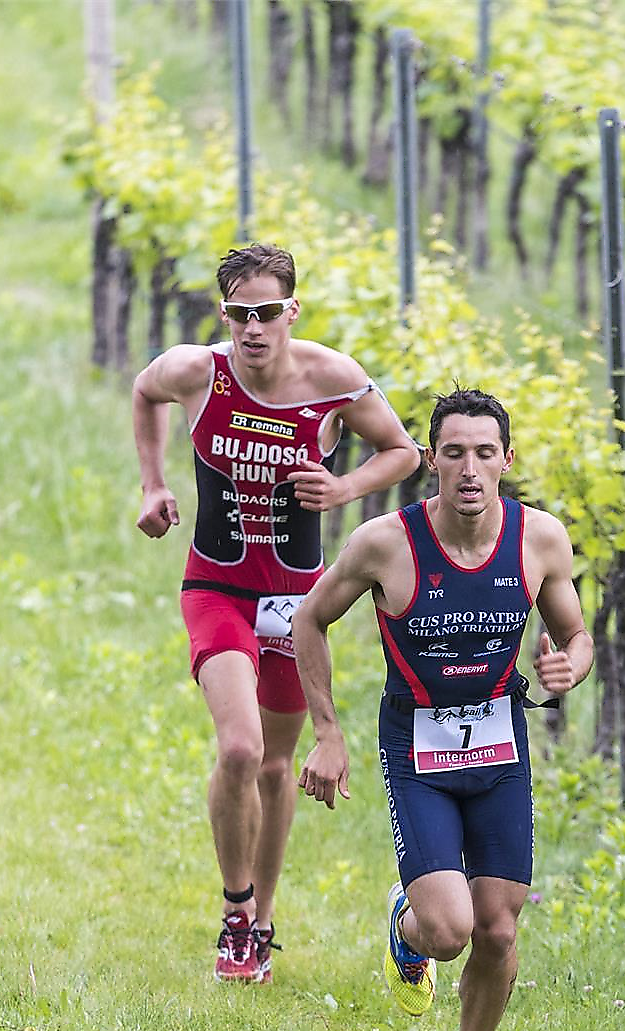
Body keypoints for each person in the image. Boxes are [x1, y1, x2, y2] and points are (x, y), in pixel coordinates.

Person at [292, 388, 592, 1031]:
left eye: (484, 453)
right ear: (430, 461)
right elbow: (310, 618)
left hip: (499, 745)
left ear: (507, 461)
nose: (469, 469)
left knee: (497, 927)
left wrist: (569, 667)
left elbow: (577, 637)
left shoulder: (540, 539)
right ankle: (407, 923)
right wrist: (329, 734)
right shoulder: (383, 545)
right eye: (453, 452)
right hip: (418, 746)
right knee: (450, 931)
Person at [132, 243, 420, 983]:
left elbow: (404, 453)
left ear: (292, 311)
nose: (252, 328)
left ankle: (263, 924)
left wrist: (345, 487)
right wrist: (153, 485)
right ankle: (234, 913)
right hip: (217, 587)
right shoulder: (200, 371)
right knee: (239, 748)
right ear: (222, 312)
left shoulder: (334, 379)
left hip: (297, 602)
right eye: (238, 314)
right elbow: (143, 391)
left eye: (266, 312)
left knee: (276, 766)